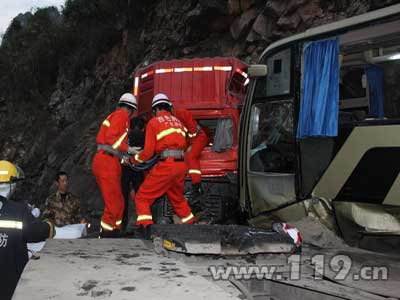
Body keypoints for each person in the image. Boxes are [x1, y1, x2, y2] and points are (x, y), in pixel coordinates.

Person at [131, 93, 194, 237]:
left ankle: (146, 229)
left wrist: (134, 159)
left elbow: (147, 152)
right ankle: (191, 227)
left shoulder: (154, 122)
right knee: (177, 199)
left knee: (142, 197)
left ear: (154, 110)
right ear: (169, 108)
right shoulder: (177, 122)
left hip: (167, 165)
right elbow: (186, 145)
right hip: (180, 165)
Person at [0, 160, 54, 300]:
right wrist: (49, 226)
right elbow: (36, 232)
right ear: (11, 185)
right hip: (8, 284)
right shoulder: (18, 211)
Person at [92, 93, 138, 238]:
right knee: (113, 203)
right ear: (130, 109)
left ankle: (115, 230)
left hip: (109, 160)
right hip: (107, 162)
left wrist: (124, 157)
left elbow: (112, 143)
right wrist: (128, 149)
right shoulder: (122, 116)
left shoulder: (114, 116)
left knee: (118, 202)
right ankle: (106, 234)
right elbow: (111, 139)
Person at [173, 108, 208, 196]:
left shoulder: (182, 113)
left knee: (192, 156)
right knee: (183, 157)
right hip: (190, 140)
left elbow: (193, 131)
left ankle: (196, 185)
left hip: (199, 137)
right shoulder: (171, 118)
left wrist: (191, 145)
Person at [121, 117, 146, 232]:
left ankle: (123, 224)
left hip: (126, 167)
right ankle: (140, 224)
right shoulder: (144, 136)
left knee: (123, 196)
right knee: (140, 196)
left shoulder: (127, 136)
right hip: (138, 168)